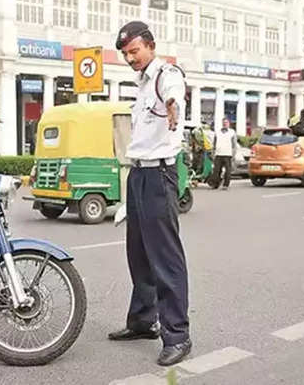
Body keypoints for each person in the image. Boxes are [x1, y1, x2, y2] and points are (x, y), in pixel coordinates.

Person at [108, 21, 191, 366]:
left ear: (151, 46)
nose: (131, 58)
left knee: (165, 258)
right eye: (126, 54)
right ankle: (143, 320)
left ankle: (178, 335)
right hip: (138, 173)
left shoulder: (165, 75)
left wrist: (172, 103)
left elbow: (174, 93)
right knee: (139, 253)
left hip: (159, 174)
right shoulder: (142, 85)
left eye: (135, 51)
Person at [212, 118, 236, 190]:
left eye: (226, 122)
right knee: (216, 170)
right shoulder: (217, 132)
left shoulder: (232, 132)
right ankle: (215, 184)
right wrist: (213, 152)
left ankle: (226, 185)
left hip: (228, 154)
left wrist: (233, 154)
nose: (225, 124)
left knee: (228, 170)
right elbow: (214, 143)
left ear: (229, 124)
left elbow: (234, 145)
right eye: (224, 122)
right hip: (218, 153)